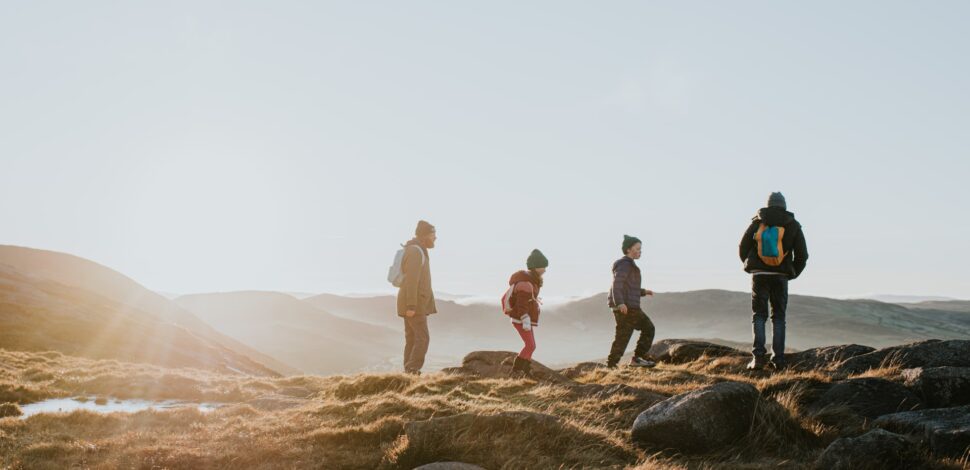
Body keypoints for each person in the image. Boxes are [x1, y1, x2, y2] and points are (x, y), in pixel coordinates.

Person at [739, 192, 809, 370]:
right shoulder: (793, 224)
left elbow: (743, 246)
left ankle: (758, 359)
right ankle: (778, 359)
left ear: (768, 205)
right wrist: (791, 272)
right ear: (784, 205)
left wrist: (751, 265)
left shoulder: (757, 222)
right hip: (780, 276)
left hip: (759, 275)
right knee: (778, 317)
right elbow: (802, 255)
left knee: (759, 316)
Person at [607, 235, 657, 369]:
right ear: (629, 249)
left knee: (623, 336)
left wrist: (644, 292)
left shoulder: (628, 264)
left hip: (627, 306)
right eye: (637, 249)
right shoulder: (624, 264)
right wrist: (620, 303)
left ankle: (612, 365)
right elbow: (617, 284)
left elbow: (629, 288)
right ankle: (637, 358)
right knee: (648, 328)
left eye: (641, 249)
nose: (640, 251)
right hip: (627, 307)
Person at [397, 220, 438, 375]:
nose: (435, 238)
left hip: (414, 303)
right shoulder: (415, 251)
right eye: (433, 234)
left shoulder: (417, 250)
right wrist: (412, 306)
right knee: (422, 338)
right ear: (425, 235)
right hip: (414, 305)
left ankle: (408, 372)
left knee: (413, 339)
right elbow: (412, 281)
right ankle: (412, 370)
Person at [505, 249, 548, 377]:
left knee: (531, 345)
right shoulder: (526, 284)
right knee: (530, 345)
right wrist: (525, 318)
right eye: (543, 267)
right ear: (536, 267)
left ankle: (525, 370)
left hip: (524, 319)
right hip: (521, 319)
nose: (545, 270)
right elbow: (521, 304)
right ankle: (516, 371)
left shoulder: (531, 280)